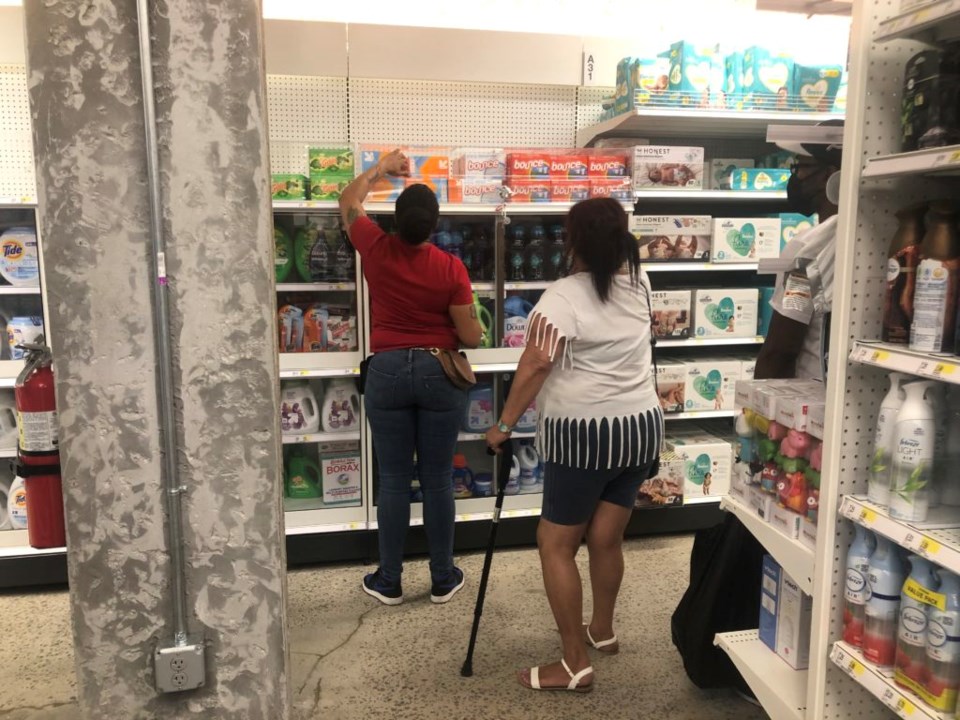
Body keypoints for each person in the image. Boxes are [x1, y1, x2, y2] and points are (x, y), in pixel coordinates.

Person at [485, 197, 663, 693]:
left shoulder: (561, 296)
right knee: (606, 538)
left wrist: (502, 425)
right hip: (639, 428)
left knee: (555, 544)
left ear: (573, 241)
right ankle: (602, 631)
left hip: (585, 436)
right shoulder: (640, 284)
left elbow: (536, 364)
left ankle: (572, 662)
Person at [339, 149, 483, 606]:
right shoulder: (450, 267)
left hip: (385, 370)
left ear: (395, 221)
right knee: (439, 478)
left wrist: (381, 170)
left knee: (395, 480)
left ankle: (389, 580)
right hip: (438, 371)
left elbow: (348, 199)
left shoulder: (374, 246)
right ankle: (443, 578)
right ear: (435, 225)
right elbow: (471, 337)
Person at [755, 122, 843, 381]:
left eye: (802, 167)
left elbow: (781, 348)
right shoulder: (872, 234)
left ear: (831, 174)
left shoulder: (808, 250)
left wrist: (757, 410)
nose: (796, 177)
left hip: (809, 400)